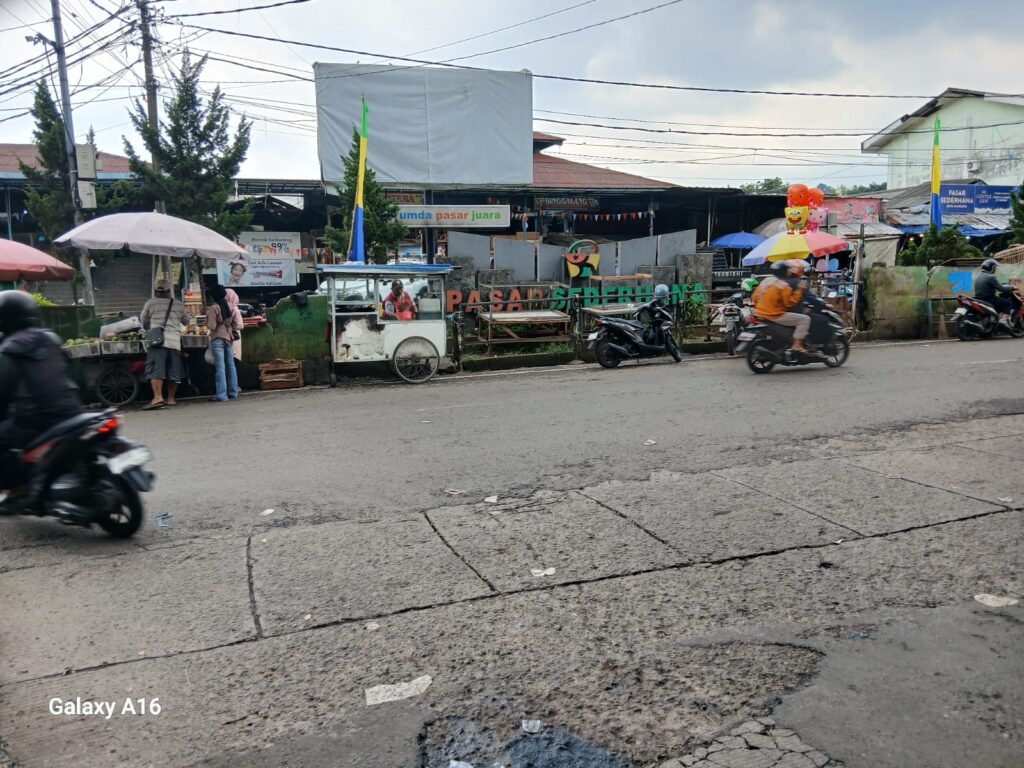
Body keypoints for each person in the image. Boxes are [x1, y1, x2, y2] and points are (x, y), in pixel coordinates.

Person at [0, 290, 82, 492]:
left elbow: (3, 391)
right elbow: (69, 367)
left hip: (36, 420)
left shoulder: (9, 349)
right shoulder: (51, 338)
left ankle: (16, 486)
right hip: (72, 410)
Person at [141, 279, 191, 410]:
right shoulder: (178, 304)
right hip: (174, 342)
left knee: (156, 370)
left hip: (157, 341)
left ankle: (158, 397)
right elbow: (187, 321)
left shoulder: (150, 303)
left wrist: (151, 325)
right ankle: (171, 399)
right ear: (170, 290)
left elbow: (144, 321)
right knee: (173, 371)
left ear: (156, 290)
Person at [752, 259, 810, 353]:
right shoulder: (783, 285)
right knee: (805, 319)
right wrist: (800, 289)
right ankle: (797, 345)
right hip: (774, 315)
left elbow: (754, 297)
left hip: (758, 313)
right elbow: (790, 303)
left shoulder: (765, 281)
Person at [207, 284, 241, 402]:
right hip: (229, 337)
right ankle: (233, 392)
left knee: (220, 366)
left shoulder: (214, 308)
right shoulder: (231, 306)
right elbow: (236, 324)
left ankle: (221, 394)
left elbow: (212, 326)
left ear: (213, 296)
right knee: (231, 365)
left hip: (218, 338)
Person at [975, 258, 1015, 328]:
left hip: (979, 299)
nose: (995, 269)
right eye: (994, 267)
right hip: (989, 299)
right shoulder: (991, 277)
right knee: (1008, 303)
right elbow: (1002, 289)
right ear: (991, 267)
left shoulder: (979, 276)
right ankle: (1003, 320)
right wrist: (1012, 287)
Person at [225, 288, 244, 398]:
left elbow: (240, 325)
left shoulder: (234, 309)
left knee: (232, 363)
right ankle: (232, 386)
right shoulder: (228, 307)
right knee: (231, 363)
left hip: (233, 338)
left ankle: (234, 386)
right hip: (231, 338)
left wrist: (230, 326)